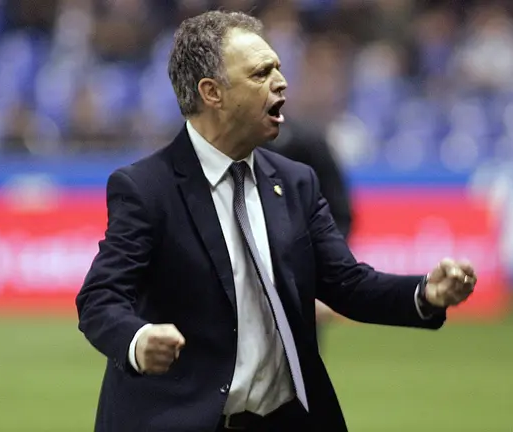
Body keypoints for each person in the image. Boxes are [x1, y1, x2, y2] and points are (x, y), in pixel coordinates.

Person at [75, 11, 477, 432]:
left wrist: (425, 293)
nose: (280, 82)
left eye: (278, 68)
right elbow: (100, 298)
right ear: (212, 92)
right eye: (260, 73)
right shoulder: (147, 188)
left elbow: (348, 284)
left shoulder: (295, 182)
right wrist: (138, 342)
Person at [262, 119, 352, 344]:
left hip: (301, 276)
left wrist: (321, 279)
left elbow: (339, 213)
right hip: (246, 283)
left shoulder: (309, 144)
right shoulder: (226, 147)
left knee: (299, 366)